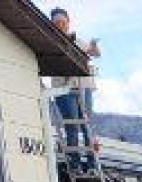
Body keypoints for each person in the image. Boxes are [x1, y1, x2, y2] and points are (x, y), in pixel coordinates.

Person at [49, 8, 101, 171]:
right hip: (64, 88)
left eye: (63, 22)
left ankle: (91, 162)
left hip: (83, 86)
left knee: (86, 124)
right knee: (71, 125)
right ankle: (74, 161)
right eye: (57, 23)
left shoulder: (76, 39)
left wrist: (92, 46)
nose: (60, 26)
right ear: (52, 24)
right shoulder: (50, 40)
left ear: (68, 22)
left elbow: (95, 53)